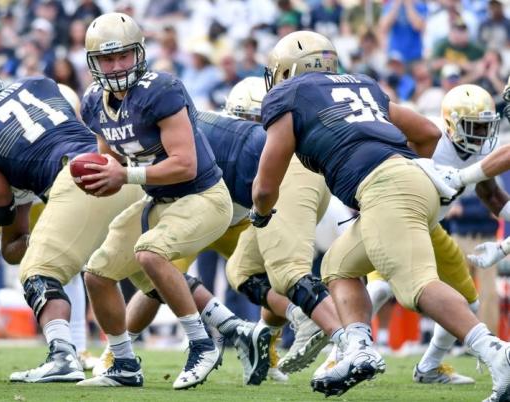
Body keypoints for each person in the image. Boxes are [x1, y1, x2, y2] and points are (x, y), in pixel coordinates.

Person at [253, 30, 510, 401]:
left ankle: (497, 353)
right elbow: (425, 132)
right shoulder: (362, 83)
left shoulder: (289, 94)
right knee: (339, 266)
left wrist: (261, 214)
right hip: (406, 179)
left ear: (289, 70)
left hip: (385, 186)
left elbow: (264, 188)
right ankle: (358, 348)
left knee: (416, 285)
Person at [98, 77, 344, 384]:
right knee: (169, 273)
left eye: (260, 123)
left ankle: (306, 344)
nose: (257, 129)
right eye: (251, 121)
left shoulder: (239, 140)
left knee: (274, 276)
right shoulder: (204, 132)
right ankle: (118, 350)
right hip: (210, 205)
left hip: (242, 209)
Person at [0, 57, 145, 383]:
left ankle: (63, 355)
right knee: (132, 272)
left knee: (38, 272)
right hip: (118, 172)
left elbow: (0, 208)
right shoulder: (39, 83)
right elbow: (13, 242)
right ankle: (132, 361)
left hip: (75, 181)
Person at [76, 13, 232, 390]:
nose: (115, 67)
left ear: (139, 54)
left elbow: (185, 163)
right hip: (159, 200)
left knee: (149, 252)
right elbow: (109, 162)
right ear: (93, 62)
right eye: (107, 60)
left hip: (203, 196)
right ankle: (123, 363)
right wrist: (98, 177)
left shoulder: (162, 90)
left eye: (123, 57)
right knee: (97, 274)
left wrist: (124, 175)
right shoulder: (94, 102)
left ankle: (201, 341)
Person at [367, 84, 504, 385]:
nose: (481, 135)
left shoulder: (479, 153)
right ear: (453, 123)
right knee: (378, 289)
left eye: (485, 127)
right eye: (474, 127)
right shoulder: (429, 139)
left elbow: (493, 197)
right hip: (393, 217)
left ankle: (429, 367)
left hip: (429, 225)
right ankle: (343, 353)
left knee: (468, 302)